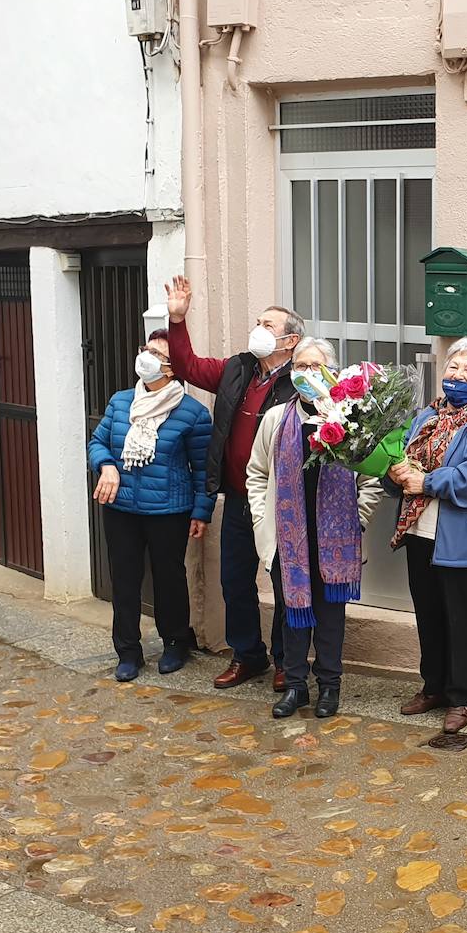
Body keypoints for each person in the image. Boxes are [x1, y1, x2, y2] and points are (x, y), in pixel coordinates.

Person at [166, 275, 302, 691]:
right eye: (258, 322)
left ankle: (287, 661)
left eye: (269, 325)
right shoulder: (238, 369)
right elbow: (187, 367)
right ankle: (248, 656)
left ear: (291, 341)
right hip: (239, 499)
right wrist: (177, 320)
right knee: (234, 582)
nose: (258, 330)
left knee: (282, 583)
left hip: (280, 503)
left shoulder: (300, 380)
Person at [246, 338, 383, 720]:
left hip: (333, 542)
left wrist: (355, 521)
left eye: (313, 366)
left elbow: (370, 480)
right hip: (287, 541)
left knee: (329, 619)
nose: (304, 373)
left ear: (331, 373)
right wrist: (263, 522)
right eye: (299, 366)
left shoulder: (351, 421)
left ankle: (329, 687)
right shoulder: (276, 419)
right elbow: (256, 474)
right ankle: (295, 686)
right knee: (292, 616)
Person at [390, 338, 467, 737]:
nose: (457, 375)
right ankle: (433, 687)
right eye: (453, 367)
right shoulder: (425, 417)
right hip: (420, 533)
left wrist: (426, 480)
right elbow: (403, 460)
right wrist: (396, 473)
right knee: (428, 613)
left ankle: (460, 697)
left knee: (459, 619)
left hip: (462, 540)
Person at [88, 329, 214, 682]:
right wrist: (107, 465)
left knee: (169, 579)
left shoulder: (192, 413)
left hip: (168, 511)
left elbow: (204, 469)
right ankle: (128, 651)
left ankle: (175, 642)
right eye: (146, 349)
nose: (146, 357)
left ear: (173, 369)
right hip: (121, 508)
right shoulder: (120, 401)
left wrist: (201, 511)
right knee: (124, 580)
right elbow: (97, 442)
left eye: (157, 355)